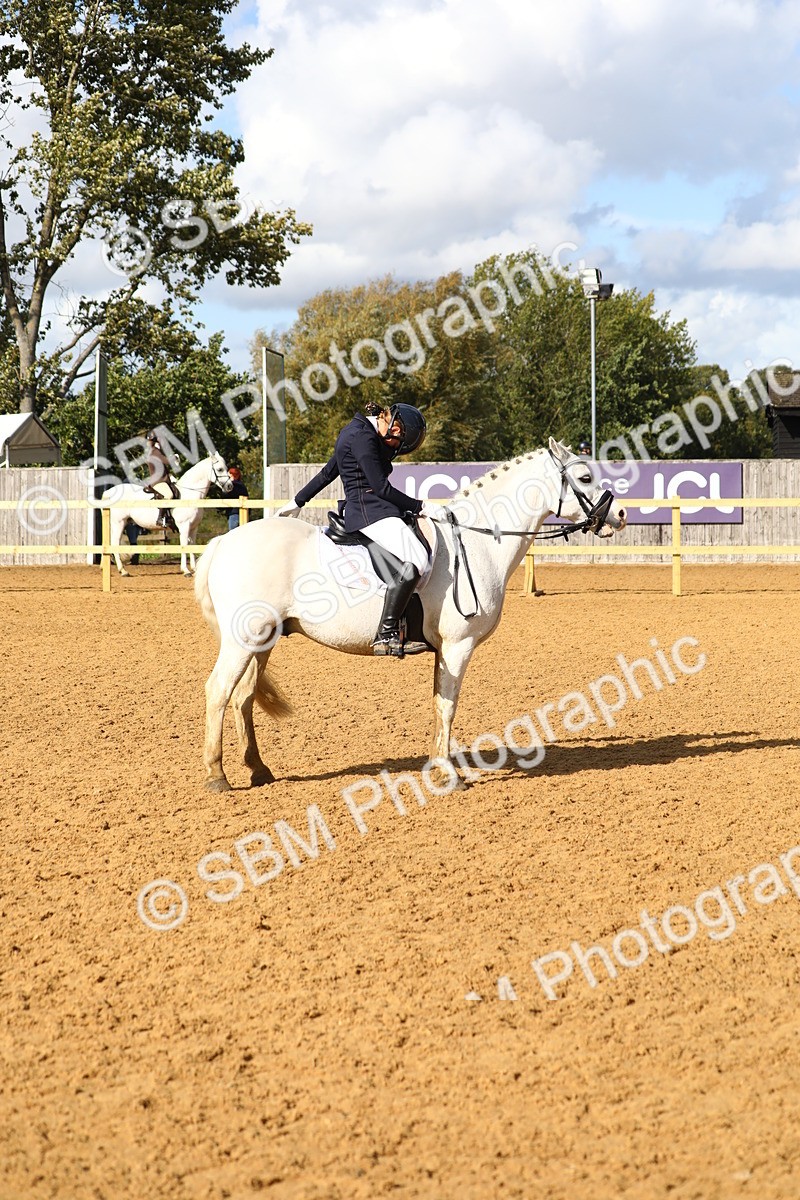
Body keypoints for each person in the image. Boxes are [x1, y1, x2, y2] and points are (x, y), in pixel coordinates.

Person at [277, 402, 448, 657]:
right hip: (370, 512)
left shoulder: (357, 431)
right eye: (398, 438)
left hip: (374, 507)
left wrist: (297, 501)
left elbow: (328, 472)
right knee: (417, 559)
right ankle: (386, 633)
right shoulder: (362, 437)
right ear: (390, 422)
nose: (395, 445)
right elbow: (382, 489)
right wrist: (422, 506)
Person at [143, 431, 180, 530]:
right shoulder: (154, 451)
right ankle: (160, 518)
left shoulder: (154, 451)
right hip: (158, 482)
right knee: (169, 495)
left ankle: (170, 516)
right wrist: (175, 457)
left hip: (163, 479)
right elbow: (167, 461)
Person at [227, 467, 249, 531]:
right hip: (243, 514)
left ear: (231, 475)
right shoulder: (242, 485)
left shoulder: (233, 486)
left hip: (234, 513)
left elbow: (227, 495)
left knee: (233, 534)